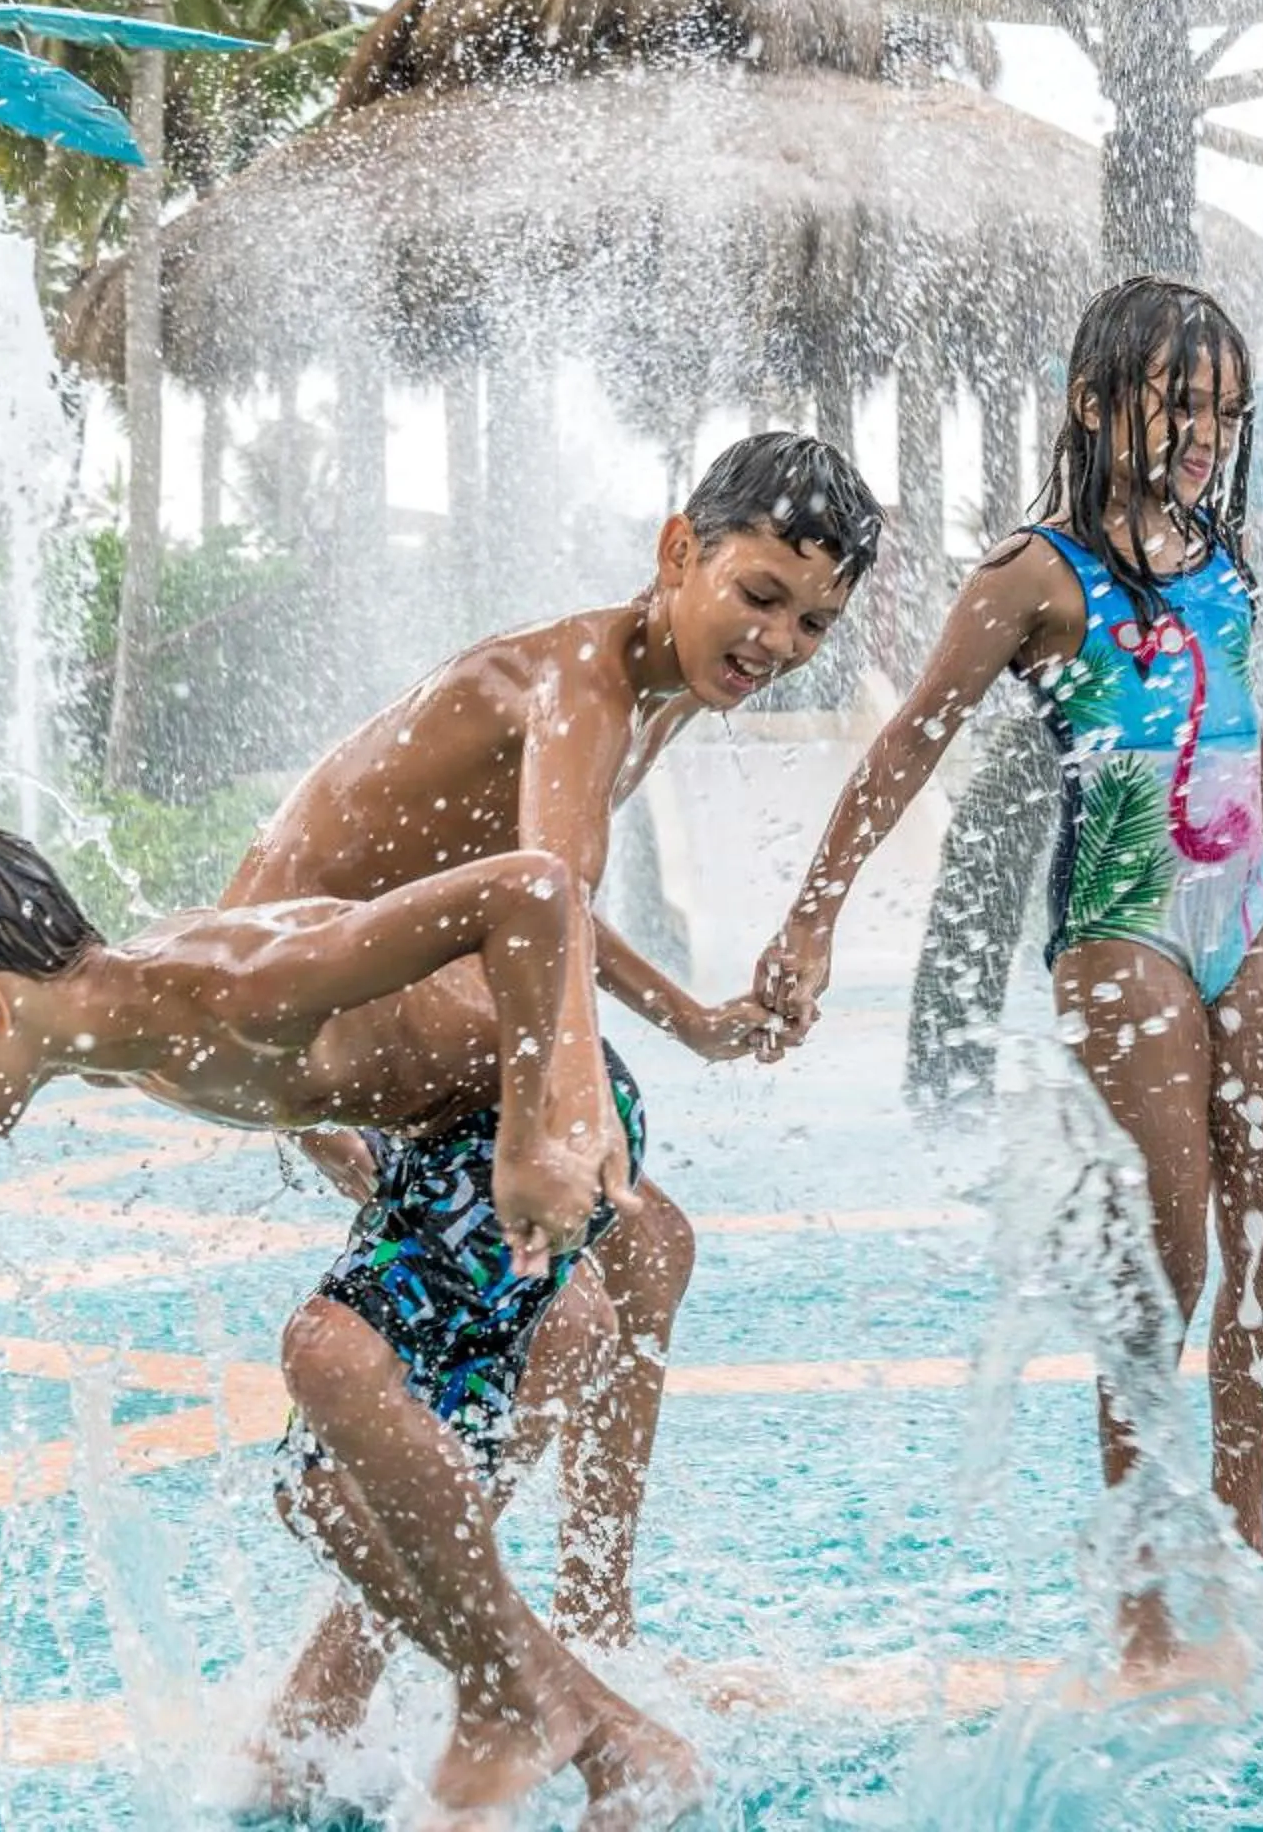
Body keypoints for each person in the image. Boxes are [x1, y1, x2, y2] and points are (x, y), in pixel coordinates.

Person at [220, 429, 879, 1822]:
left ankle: (555, 1631)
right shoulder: (580, 679)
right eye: (759, 596)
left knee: (636, 1259)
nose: (777, 641)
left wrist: (687, 1019)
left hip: (390, 1008)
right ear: (678, 552)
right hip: (322, 1022)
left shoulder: (659, 684)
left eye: (814, 623)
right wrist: (553, 1118)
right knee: (562, 1308)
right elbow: (544, 899)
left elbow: (526, 896)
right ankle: (497, 1683)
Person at [0, 816, 701, 1828]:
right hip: (436, 1141)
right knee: (323, 1495)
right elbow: (319, 1075)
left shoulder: (226, 986)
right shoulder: (111, 1039)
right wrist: (358, 1166)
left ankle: (516, 1702)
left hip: (518, 1120)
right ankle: (614, 1740)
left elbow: (531, 891)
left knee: (329, 1353)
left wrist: (553, 1116)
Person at [752, 277, 1263, 1671]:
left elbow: (1243, 723)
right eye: (1179, 402)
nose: (1204, 433)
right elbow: (910, 738)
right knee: (1169, 1258)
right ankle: (1145, 1604)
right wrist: (813, 916)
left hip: (1243, 905)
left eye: (1225, 411)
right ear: (1095, 401)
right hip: (1120, 917)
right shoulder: (1035, 572)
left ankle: (1246, 1550)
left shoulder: (1219, 549)